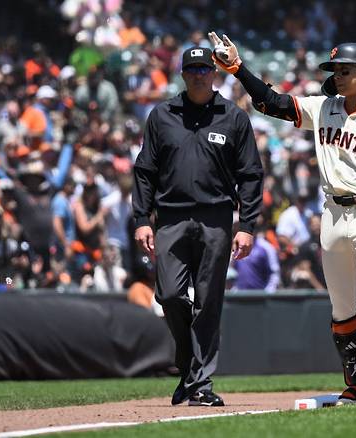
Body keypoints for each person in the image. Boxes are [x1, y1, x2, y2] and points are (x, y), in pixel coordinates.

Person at [208, 34, 356, 404]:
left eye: (344, 70)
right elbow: (271, 102)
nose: (336, 75)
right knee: (341, 308)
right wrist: (238, 69)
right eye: (333, 70)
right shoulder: (324, 108)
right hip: (332, 215)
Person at [132, 46, 263, 407]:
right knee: (170, 295)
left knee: (208, 302)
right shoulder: (162, 116)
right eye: (191, 69)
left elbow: (250, 176)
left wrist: (247, 225)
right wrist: (142, 219)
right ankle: (188, 364)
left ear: (214, 73)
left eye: (204, 69)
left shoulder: (233, 117)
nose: (198, 75)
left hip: (216, 220)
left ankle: (201, 384)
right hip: (170, 218)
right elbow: (145, 171)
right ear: (182, 74)